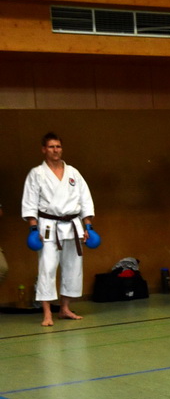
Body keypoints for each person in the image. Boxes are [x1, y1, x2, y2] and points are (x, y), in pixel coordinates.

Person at [21, 132, 97, 327]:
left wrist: (88, 226)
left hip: (73, 225)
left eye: (58, 147)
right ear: (43, 149)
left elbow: (85, 200)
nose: (55, 150)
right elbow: (30, 203)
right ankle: (47, 313)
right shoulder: (36, 173)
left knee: (73, 267)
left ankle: (64, 308)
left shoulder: (73, 172)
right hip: (48, 226)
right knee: (47, 267)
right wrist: (32, 229)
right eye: (51, 147)